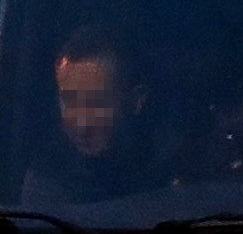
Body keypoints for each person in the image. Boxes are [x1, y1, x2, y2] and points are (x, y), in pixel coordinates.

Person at [15, 30, 168, 209]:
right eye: (69, 103)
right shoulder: (47, 179)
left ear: (136, 101)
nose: (82, 125)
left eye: (96, 103)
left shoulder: (176, 168)